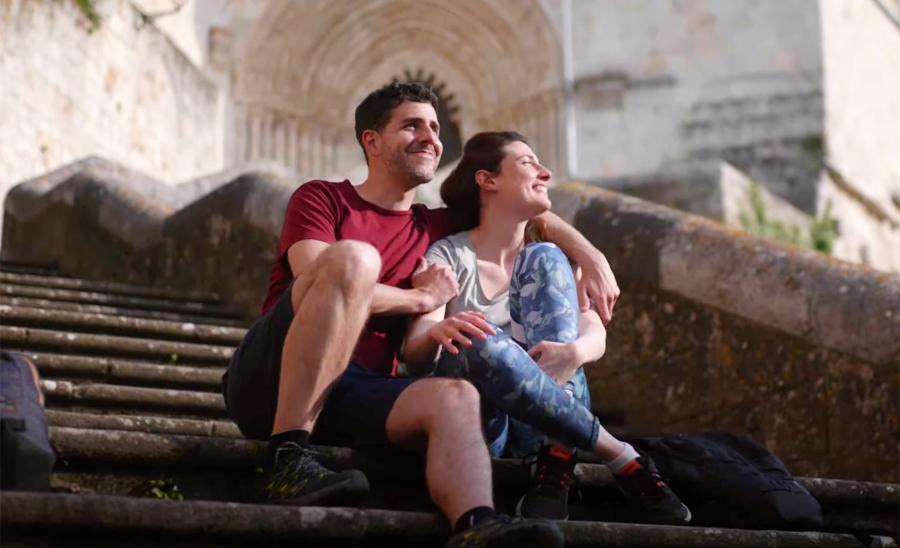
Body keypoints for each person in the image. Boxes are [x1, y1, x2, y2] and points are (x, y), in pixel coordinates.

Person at [222, 82, 620, 548]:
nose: (431, 137)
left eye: (434, 127)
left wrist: (590, 255)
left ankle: (477, 524)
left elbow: (521, 212)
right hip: (274, 377)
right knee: (355, 260)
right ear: (371, 141)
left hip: (355, 391)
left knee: (454, 397)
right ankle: (285, 458)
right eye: (411, 125)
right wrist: (417, 300)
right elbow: (319, 279)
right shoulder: (323, 198)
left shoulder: (434, 226)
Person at [401, 131, 691, 525]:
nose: (545, 172)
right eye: (527, 163)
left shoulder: (553, 261)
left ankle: (554, 463)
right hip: (485, 428)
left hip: (540, 427)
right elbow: (414, 351)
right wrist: (439, 331)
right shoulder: (448, 255)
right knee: (481, 338)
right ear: (487, 180)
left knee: (545, 257)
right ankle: (619, 454)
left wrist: (575, 353)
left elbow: (594, 333)